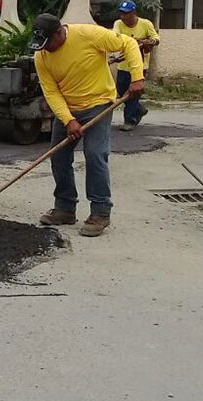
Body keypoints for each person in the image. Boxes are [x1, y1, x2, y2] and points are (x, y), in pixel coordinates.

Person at [31, 13, 144, 237]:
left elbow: (129, 44)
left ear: (59, 32)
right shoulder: (41, 56)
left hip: (98, 104)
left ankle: (100, 212)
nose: (45, 50)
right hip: (68, 109)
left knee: (95, 154)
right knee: (59, 156)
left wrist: (137, 77)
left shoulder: (88, 34)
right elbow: (51, 92)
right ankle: (65, 207)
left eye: (48, 43)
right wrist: (68, 120)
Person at [113, 0, 161, 131]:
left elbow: (156, 39)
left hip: (140, 66)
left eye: (126, 14)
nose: (123, 17)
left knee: (133, 92)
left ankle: (130, 120)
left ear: (133, 13)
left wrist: (146, 42)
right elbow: (115, 37)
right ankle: (138, 109)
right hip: (123, 65)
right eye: (121, 13)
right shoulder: (118, 24)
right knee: (122, 91)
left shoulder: (145, 24)